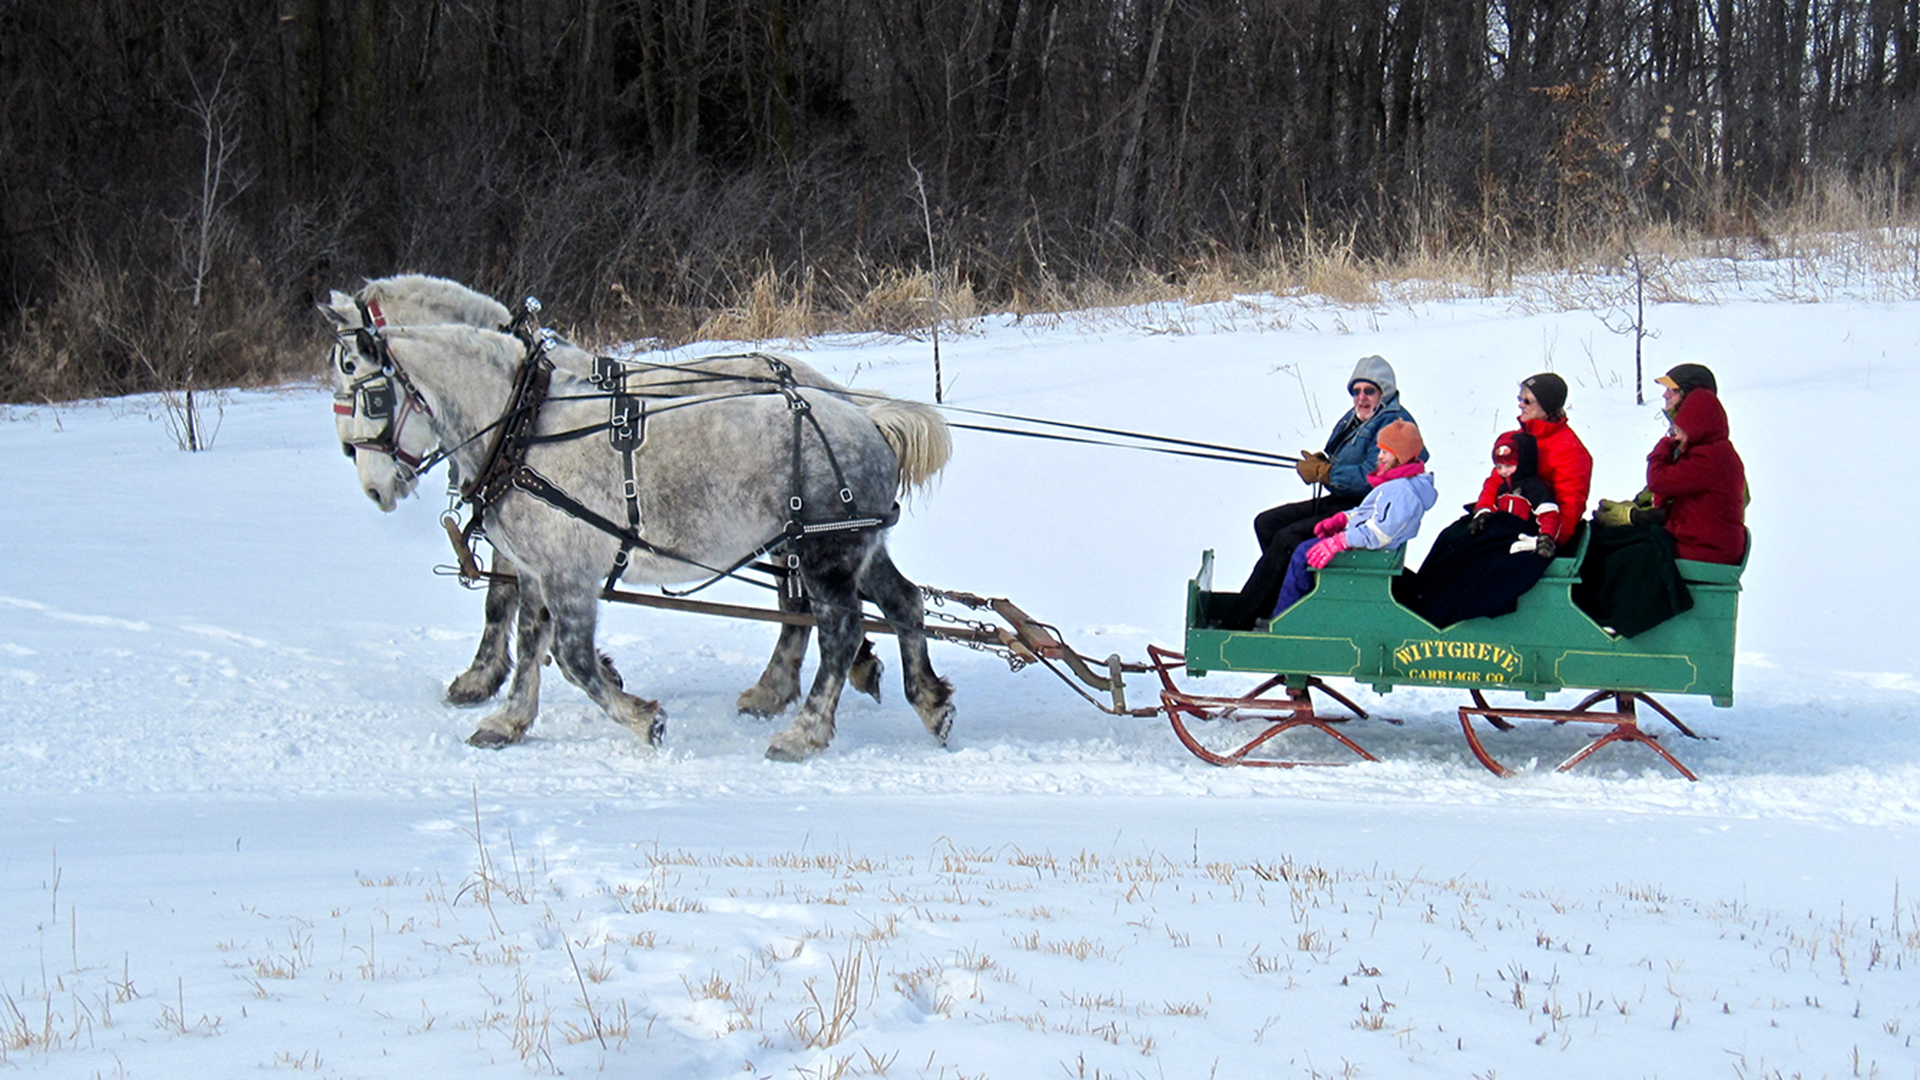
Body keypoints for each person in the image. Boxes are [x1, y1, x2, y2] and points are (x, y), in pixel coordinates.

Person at [1219, 355, 1423, 630]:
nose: (1361, 398)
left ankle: (1240, 620)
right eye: (1356, 391)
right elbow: (1342, 457)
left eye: (1369, 391)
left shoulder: (1392, 425)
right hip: (1342, 501)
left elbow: (1369, 477)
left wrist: (1327, 473)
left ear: (1383, 392)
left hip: (1363, 508)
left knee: (1288, 539)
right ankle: (1277, 600)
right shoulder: (1358, 419)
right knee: (1267, 523)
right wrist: (1323, 463)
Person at [1574, 366, 1746, 635]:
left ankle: (1603, 620)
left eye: (1672, 389)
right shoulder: (1698, 444)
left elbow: (1664, 484)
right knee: (1609, 538)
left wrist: (1639, 514)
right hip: (1685, 534)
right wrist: (1634, 511)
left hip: (1695, 542)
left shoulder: (1706, 450)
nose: (1665, 395)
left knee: (1629, 555)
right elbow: (1659, 494)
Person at [1269, 420, 1436, 619]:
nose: (1380, 457)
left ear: (1401, 456)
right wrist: (1343, 519)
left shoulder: (1402, 492)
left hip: (1372, 555)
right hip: (1369, 549)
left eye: (1386, 452)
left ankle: (1286, 617)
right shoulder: (1397, 484)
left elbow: (1379, 533)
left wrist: (1340, 541)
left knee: (1302, 554)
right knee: (1303, 546)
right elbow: (1368, 512)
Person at [1399, 431, 1563, 626]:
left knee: (1484, 566)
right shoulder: (1503, 484)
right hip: (1497, 530)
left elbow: (1548, 514)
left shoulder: (1534, 489)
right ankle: (1428, 592)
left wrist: (1546, 536)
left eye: (1509, 466)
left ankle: (1449, 606)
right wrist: (1483, 513)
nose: (1503, 472)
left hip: (1516, 536)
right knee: (1455, 543)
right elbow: (1488, 495)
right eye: (1499, 466)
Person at [1493, 372, 1590, 547]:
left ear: (1546, 407)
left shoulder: (1570, 450)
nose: (1521, 405)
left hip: (1539, 531)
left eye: (1527, 401)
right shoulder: (1516, 440)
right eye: (1520, 399)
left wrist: (1548, 538)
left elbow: (1570, 504)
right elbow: (1495, 482)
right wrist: (1483, 510)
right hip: (1507, 520)